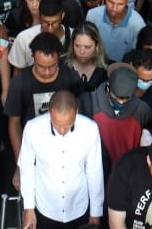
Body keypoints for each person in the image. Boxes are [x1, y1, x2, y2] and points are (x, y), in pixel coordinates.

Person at [19, 89, 105, 229]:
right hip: (45, 209)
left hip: (79, 207)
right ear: (49, 113)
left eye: (68, 125)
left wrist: (96, 211)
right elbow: (27, 168)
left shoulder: (90, 129)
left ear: (76, 112)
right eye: (57, 125)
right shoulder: (32, 129)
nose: (62, 131)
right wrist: (29, 207)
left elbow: (94, 170)